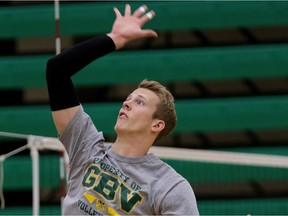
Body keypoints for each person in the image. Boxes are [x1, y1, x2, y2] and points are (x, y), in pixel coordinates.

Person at [46, 4, 199, 215]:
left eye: (139, 102)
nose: (126, 103)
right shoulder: (86, 147)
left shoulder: (169, 186)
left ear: (157, 124)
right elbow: (57, 71)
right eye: (128, 98)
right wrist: (114, 38)